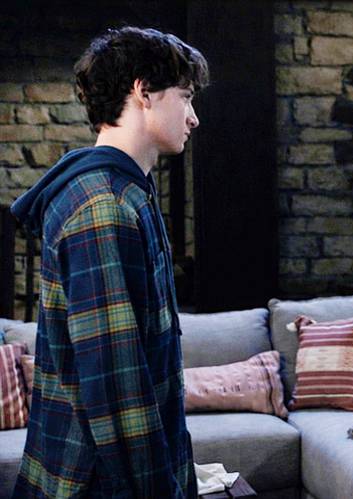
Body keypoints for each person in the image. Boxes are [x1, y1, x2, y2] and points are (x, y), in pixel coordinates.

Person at [11, 26, 208, 498]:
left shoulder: (126, 192)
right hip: (95, 481)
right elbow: (116, 384)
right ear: (143, 91)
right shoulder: (104, 206)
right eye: (185, 97)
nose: (193, 117)